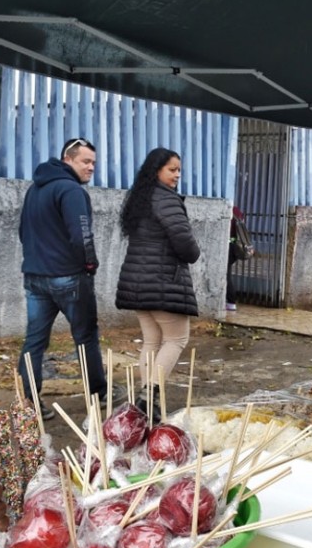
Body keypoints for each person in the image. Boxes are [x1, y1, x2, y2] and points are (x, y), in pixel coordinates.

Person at [17, 137, 113, 420]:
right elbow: (81, 233)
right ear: (67, 159)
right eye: (85, 161)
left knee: (34, 341)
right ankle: (98, 393)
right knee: (85, 337)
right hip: (69, 278)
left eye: (94, 162)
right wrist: (90, 264)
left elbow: (23, 232)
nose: (91, 167)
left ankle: (29, 401)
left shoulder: (35, 189)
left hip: (34, 277)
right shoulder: (71, 191)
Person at [115, 147, 201, 416]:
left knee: (152, 341)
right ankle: (148, 396)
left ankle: (144, 400)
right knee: (176, 339)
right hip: (164, 282)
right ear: (157, 171)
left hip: (137, 283)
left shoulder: (140, 199)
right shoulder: (167, 199)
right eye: (172, 169)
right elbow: (184, 242)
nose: (177, 175)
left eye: (179, 169)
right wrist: (194, 253)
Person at [226, 205, 250, 311]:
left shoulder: (226, 209)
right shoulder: (236, 210)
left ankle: (231, 302)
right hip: (235, 246)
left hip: (228, 246)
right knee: (227, 274)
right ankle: (229, 301)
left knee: (225, 275)